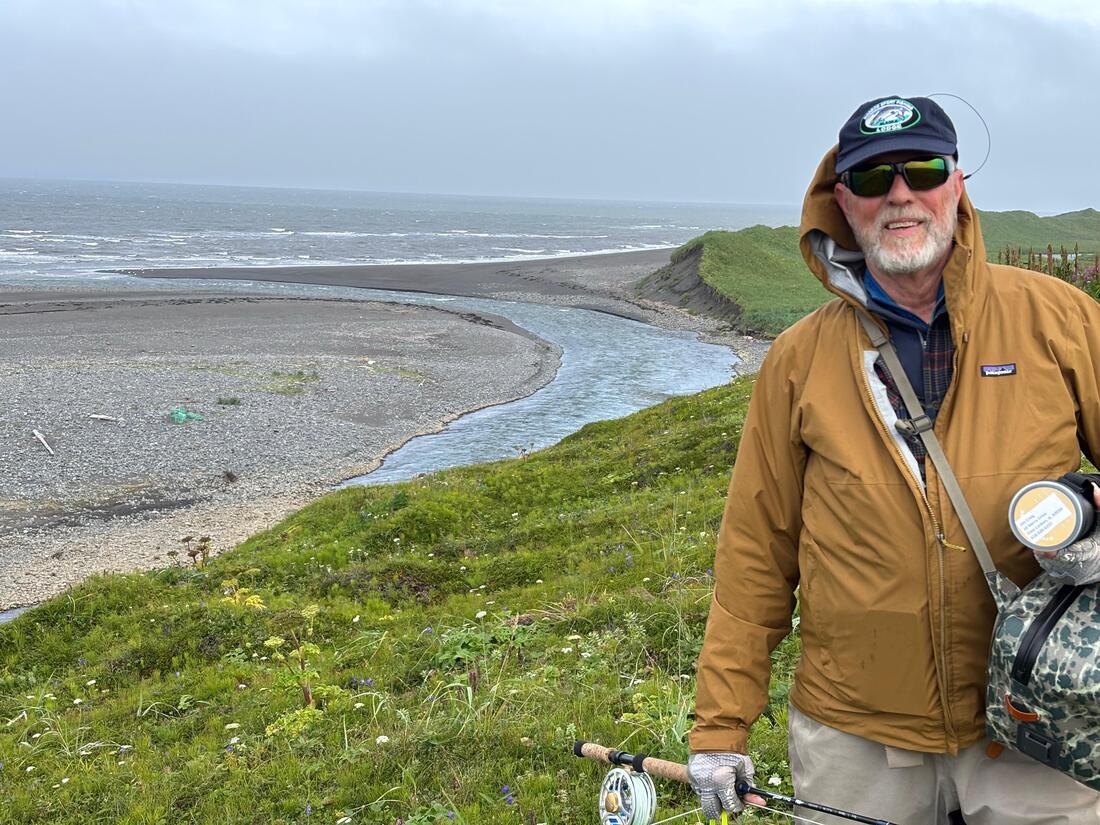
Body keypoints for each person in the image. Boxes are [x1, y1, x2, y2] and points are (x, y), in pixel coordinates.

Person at [685, 95, 1100, 824]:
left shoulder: (1062, 319)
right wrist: (720, 726)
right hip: (853, 737)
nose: (900, 194)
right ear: (843, 202)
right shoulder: (797, 359)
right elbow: (756, 551)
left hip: (1037, 718)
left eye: (923, 170)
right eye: (874, 178)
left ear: (957, 184)